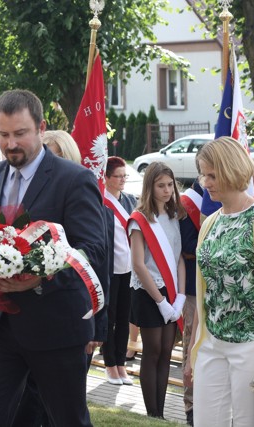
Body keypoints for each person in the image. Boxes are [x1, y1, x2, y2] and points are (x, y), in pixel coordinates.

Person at [0, 89, 106, 426]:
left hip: (56, 327)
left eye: (20, 133)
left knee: (67, 420)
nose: (10, 144)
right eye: (3, 134)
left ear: (41, 127)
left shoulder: (74, 179)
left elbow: (92, 250)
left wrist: (41, 277)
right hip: (0, 328)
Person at [184, 137, 254, 427]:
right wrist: (193, 349)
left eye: (211, 175)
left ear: (232, 169)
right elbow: (205, 292)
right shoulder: (210, 223)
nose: (205, 182)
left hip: (251, 345)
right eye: (202, 174)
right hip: (211, 344)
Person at [128, 161, 186, 418]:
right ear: (149, 187)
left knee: (166, 352)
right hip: (148, 292)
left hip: (172, 293)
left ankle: (161, 413)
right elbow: (139, 265)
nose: (166, 190)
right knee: (152, 351)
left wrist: (180, 297)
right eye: (160, 185)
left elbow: (179, 258)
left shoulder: (173, 217)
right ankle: (152, 413)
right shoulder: (139, 219)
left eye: (170, 185)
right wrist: (160, 301)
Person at [103, 156, 137, 385]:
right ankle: (109, 364)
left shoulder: (129, 200)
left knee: (125, 317)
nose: (123, 180)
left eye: (125, 175)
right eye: (118, 176)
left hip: (129, 268)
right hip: (109, 269)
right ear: (106, 178)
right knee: (110, 317)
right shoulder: (100, 202)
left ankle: (121, 364)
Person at [178, 177, 203, 426]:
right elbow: (186, 246)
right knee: (191, 343)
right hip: (195, 286)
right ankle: (191, 407)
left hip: (213, 284)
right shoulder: (188, 204)